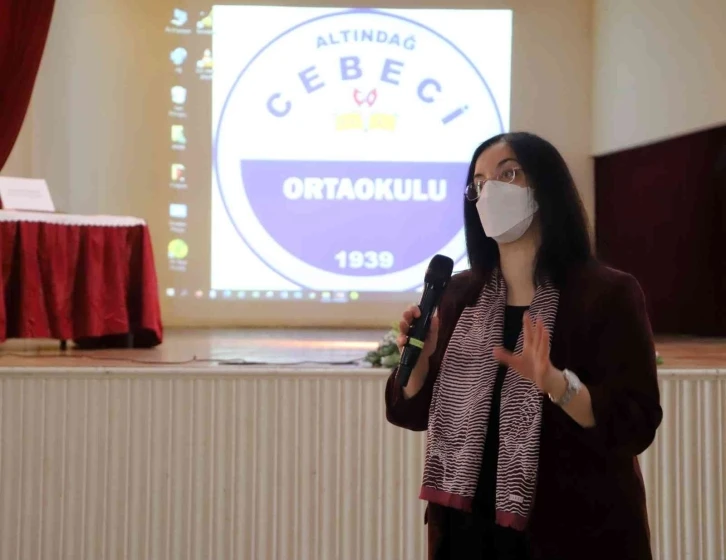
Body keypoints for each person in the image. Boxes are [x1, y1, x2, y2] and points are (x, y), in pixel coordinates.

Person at [385, 132, 662, 560]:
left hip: (575, 535)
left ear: (545, 187)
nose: (489, 191)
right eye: (479, 182)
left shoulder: (606, 294)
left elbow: (635, 422)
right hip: (465, 535)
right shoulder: (459, 296)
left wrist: (556, 384)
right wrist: (419, 362)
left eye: (508, 174)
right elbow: (410, 412)